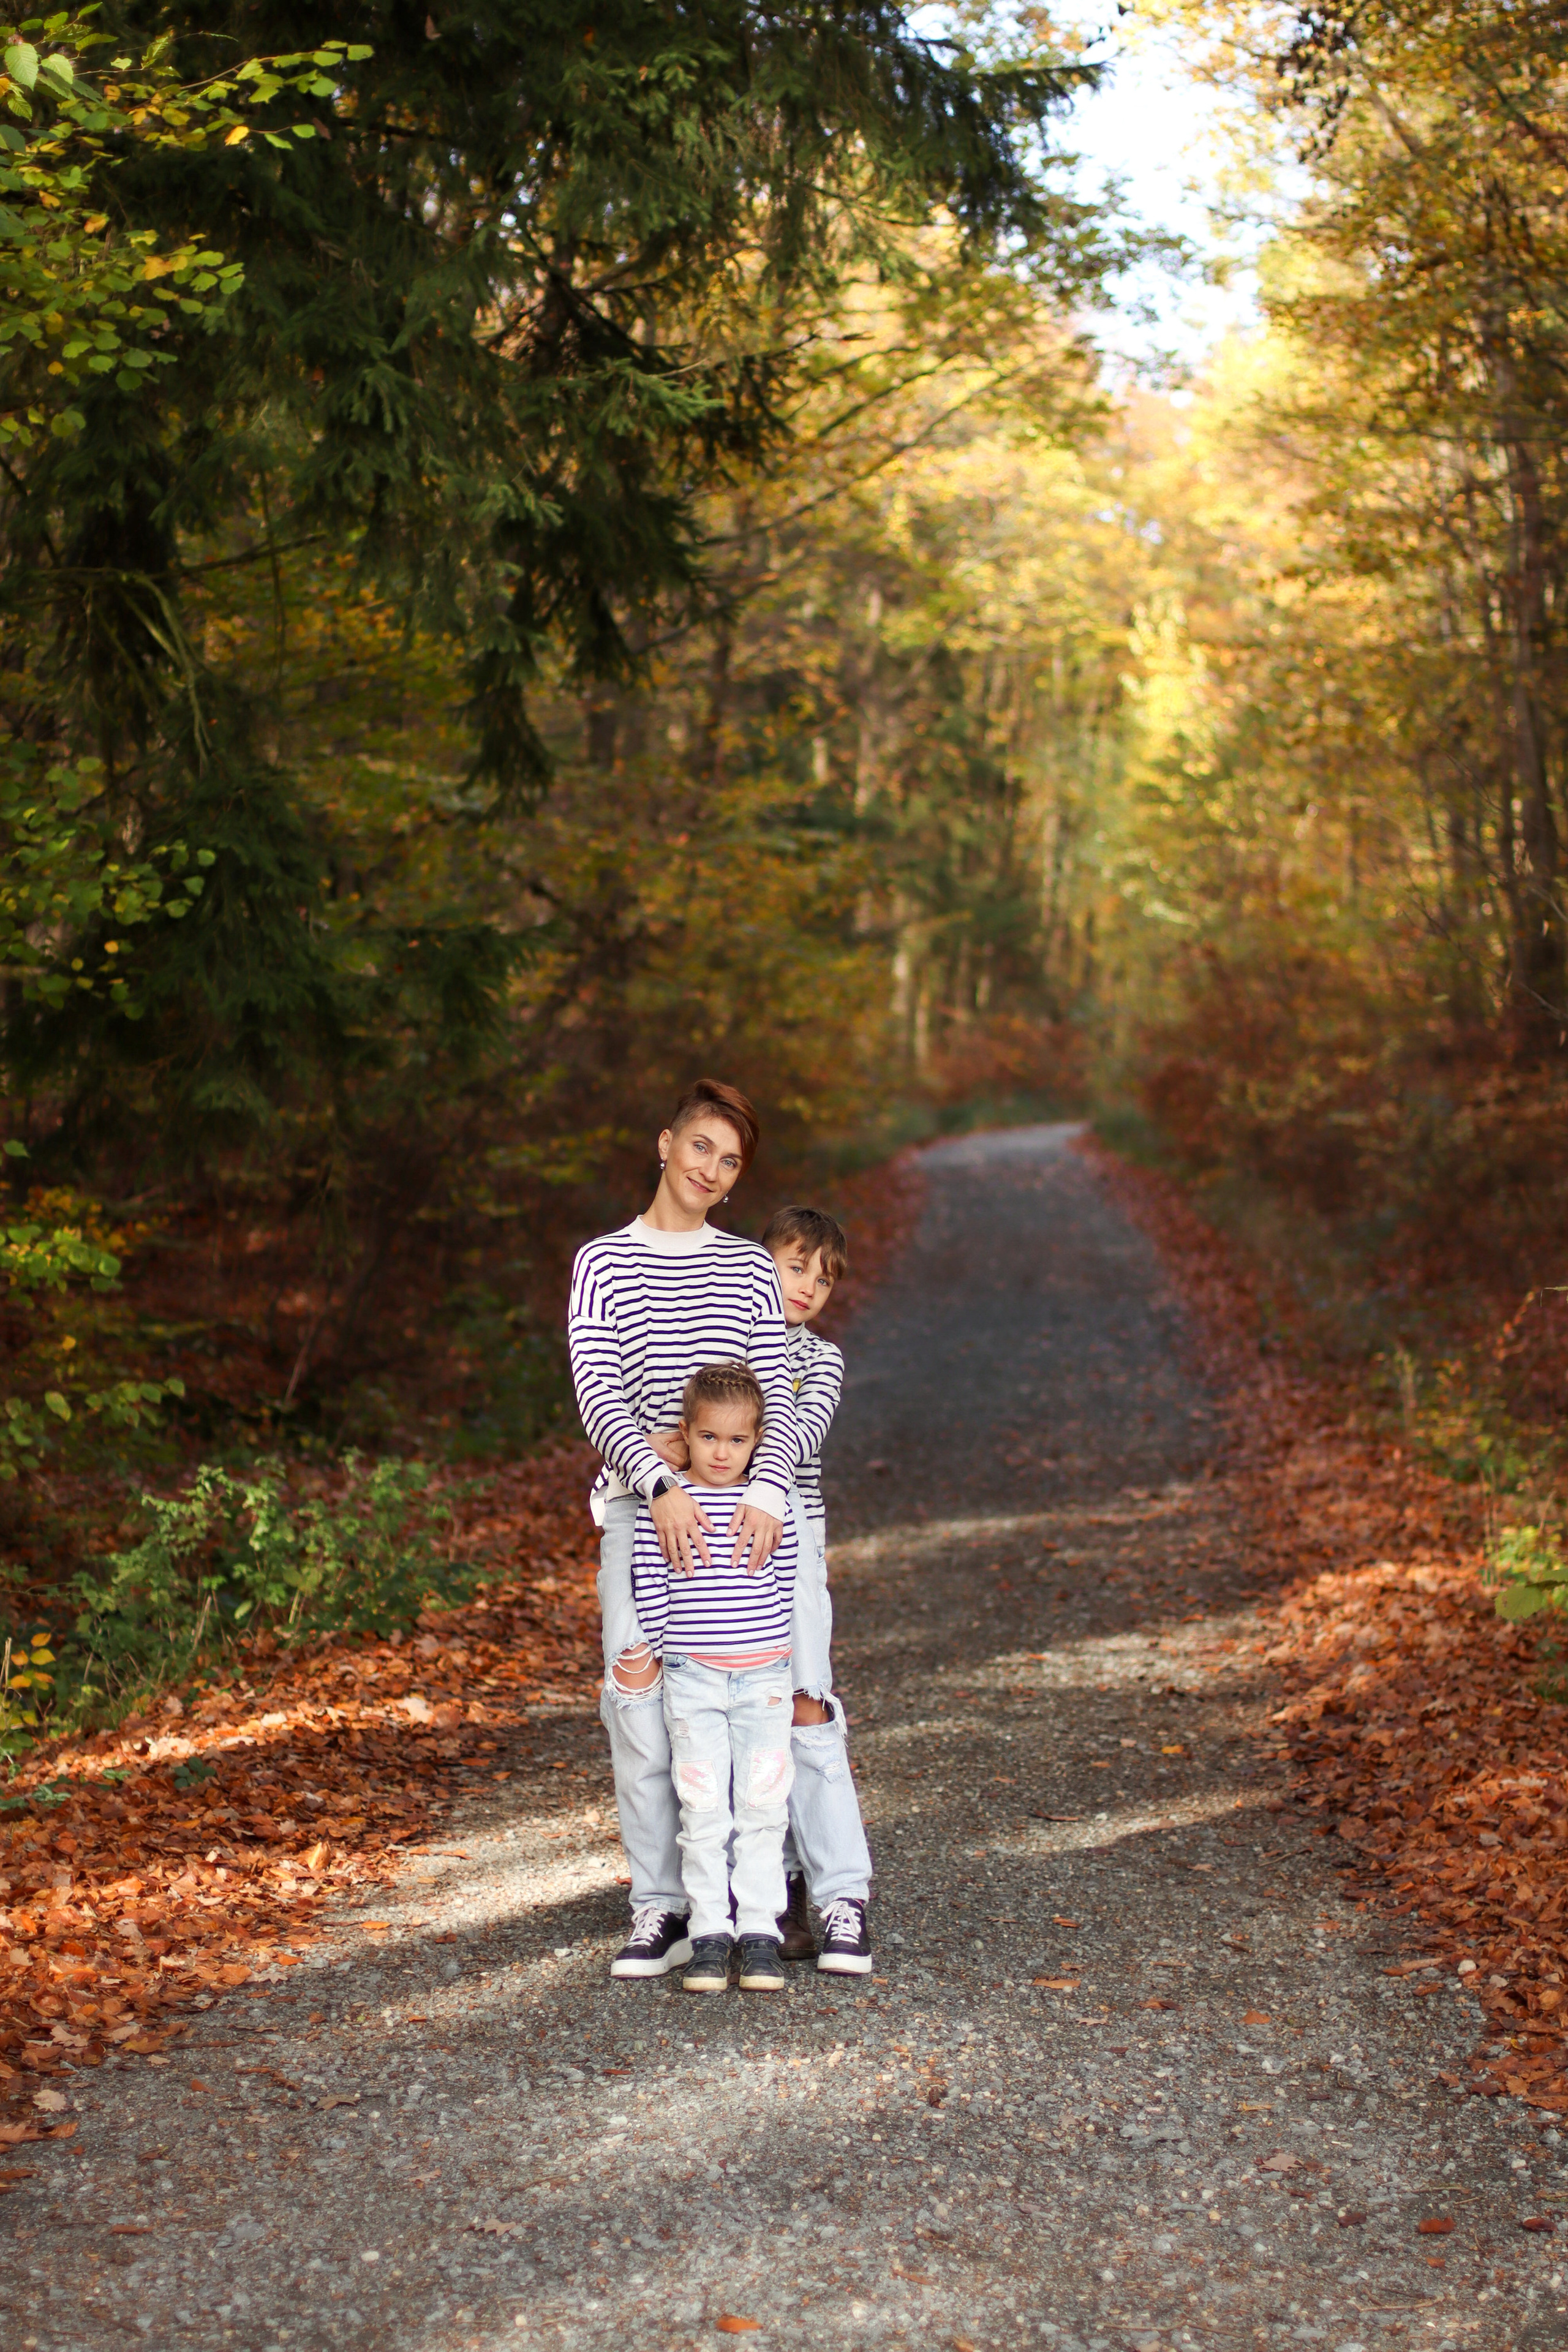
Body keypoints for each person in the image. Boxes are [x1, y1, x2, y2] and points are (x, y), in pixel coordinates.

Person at [567, 1079, 796, 1980]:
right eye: (701, 1147)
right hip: (641, 1511)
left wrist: (768, 1496)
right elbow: (598, 1391)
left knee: (746, 1714)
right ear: (666, 1144)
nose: (711, 1168)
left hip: (739, 1522)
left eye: (730, 1160)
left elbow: (773, 1392)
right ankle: (659, 1907)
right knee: (641, 1709)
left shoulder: (746, 1269)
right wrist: (656, 1479)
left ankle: (745, 1904)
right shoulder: (603, 1262)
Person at [631, 1362, 798, 1994]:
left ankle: (759, 1933)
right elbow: (651, 1586)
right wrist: (662, 1656)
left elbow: (783, 1585)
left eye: (736, 1440)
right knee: (702, 1809)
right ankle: (708, 1934)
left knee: (761, 1807)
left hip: (763, 1680)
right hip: (693, 1679)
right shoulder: (669, 1501)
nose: (721, 1453)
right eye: (708, 1438)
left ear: (756, 1442)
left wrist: (779, 1659)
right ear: (686, 1433)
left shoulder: (767, 1506)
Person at [763, 1205, 875, 1975]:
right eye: (795, 1265)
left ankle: (841, 1893)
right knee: (737, 1717)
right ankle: (771, 1889)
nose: (808, 1286)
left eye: (823, 1277)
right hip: (713, 1544)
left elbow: (798, 1434)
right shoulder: (716, 1337)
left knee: (805, 1704)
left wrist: (734, 1450)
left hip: (792, 1535)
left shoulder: (820, 1361)